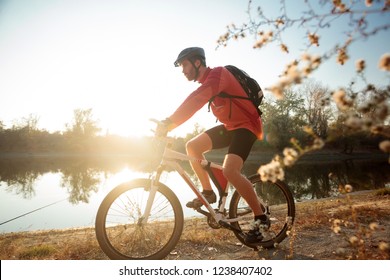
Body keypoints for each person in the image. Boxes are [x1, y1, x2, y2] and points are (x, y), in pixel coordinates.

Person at [156, 47, 269, 244]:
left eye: (184, 65)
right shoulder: (208, 82)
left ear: (197, 62)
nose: (183, 70)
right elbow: (196, 98)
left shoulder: (218, 74)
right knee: (192, 147)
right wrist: (168, 125)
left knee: (230, 171)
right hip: (231, 127)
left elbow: (197, 99)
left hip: (248, 126)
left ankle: (261, 218)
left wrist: (169, 122)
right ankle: (208, 192)